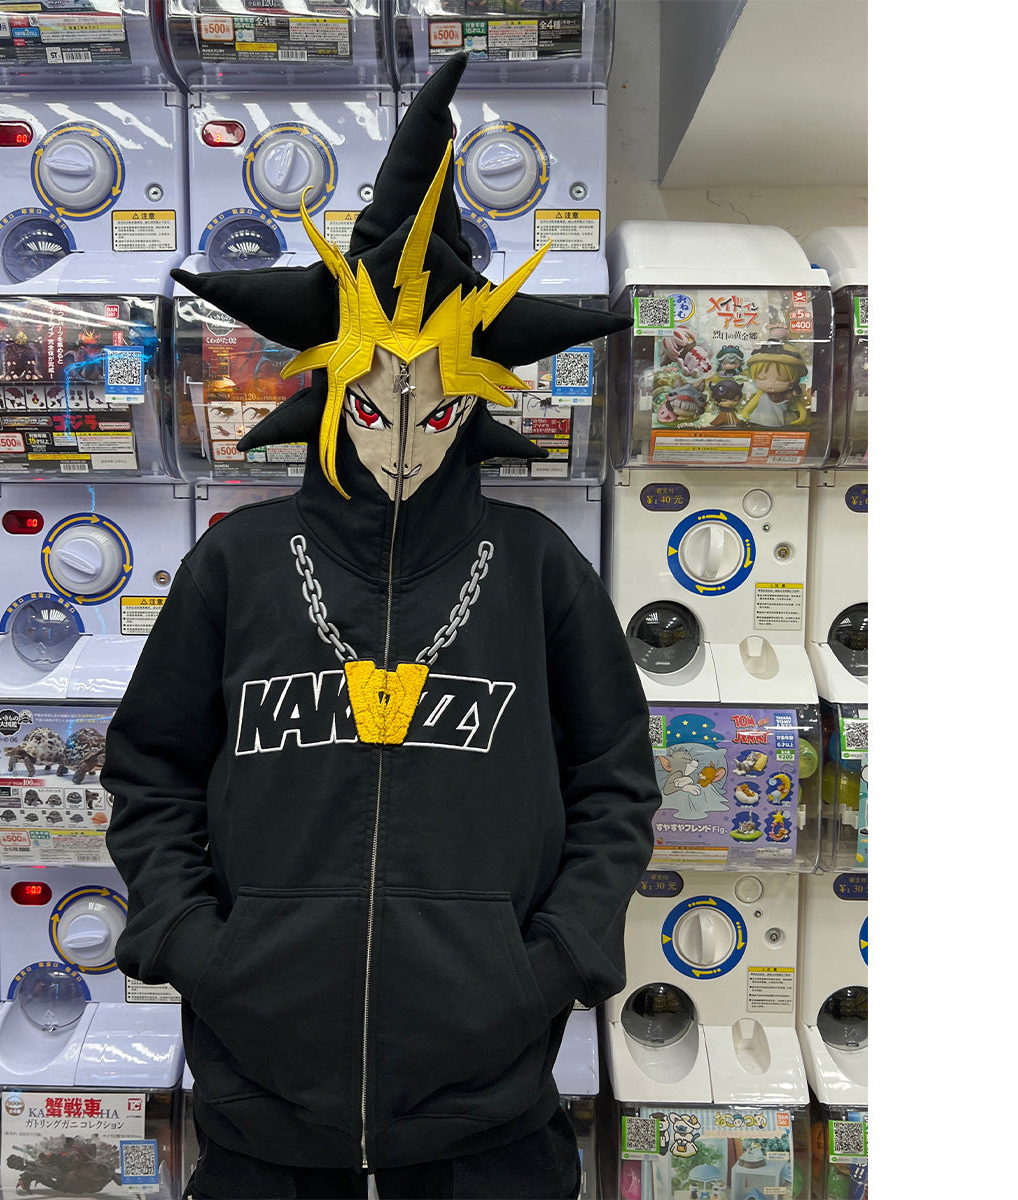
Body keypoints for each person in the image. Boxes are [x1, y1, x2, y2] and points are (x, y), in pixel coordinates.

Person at [102, 53, 660, 1200]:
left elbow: (616, 785)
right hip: (262, 1123)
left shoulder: (539, 570)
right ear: (328, 389)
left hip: (490, 1124)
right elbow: (151, 771)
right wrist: (201, 948)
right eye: (372, 402)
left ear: (476, 403)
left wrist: (549, 964)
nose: (402, 437)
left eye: (436, 409)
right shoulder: (237, 565)